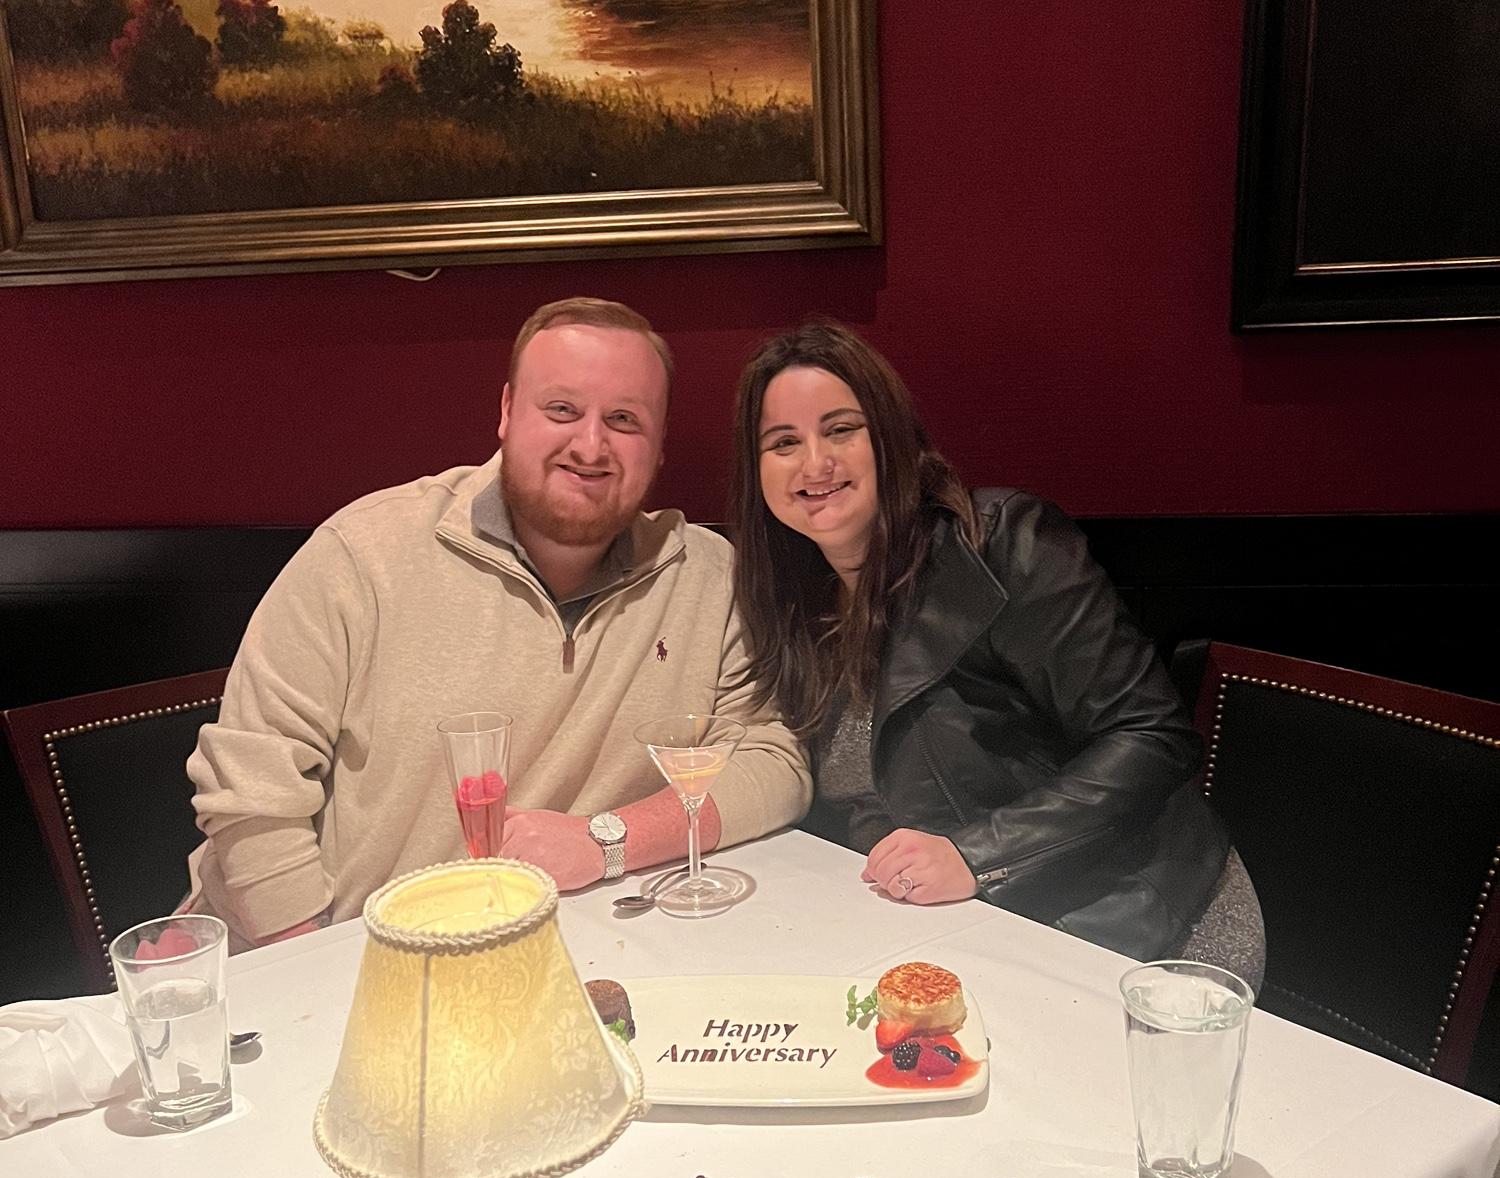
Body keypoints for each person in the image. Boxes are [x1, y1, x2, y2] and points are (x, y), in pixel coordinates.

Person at [185, 298, 810, 948]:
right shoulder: (363, 555)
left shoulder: (707, 577)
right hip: (350, 951)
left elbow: (772, 763)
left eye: (624, 419)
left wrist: (604, 841)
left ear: (658, 446)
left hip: (579, 951)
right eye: (561, 409)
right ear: (508, 412)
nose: (590, 445)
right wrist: (317, 966)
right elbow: (251, 786)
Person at [729, 320, 1264, 987]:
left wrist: (975, 854)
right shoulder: (794, 605)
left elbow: (1152, 735)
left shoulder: (998, 545)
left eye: (841, 429)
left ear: (890, 435)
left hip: (1141, 918)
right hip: (971, 928)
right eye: (784, 442)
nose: (815, 464)